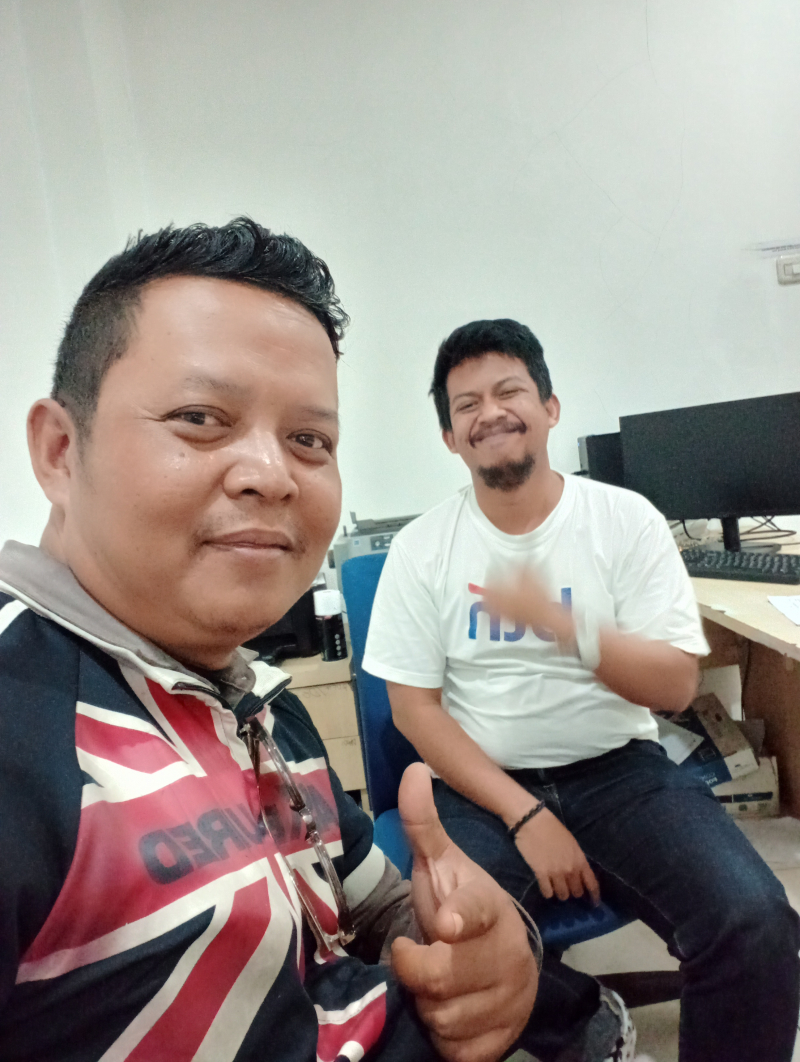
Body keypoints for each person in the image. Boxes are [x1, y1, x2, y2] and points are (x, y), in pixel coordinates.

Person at [0, 222, 541, 1062]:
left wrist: (482, 946)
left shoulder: (257, 702)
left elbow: (376, 906)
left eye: (309, 440)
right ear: (61, 451)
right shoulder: (19, 724)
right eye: (199, 419)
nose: (273, 474)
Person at [362, 318, 800, 1062]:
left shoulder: (623, 521)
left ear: (550, 407)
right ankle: (585, 1020)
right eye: (466, 405)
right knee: (443, 952)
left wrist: (571, 630)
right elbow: (414, 710)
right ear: (449, 437)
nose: (490, 413)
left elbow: (674, 685)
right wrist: (526, 813)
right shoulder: (422, 547)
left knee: (755, 922)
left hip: (621, 774)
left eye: (509, 392)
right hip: (481, 787)